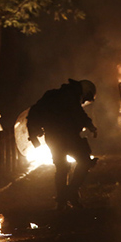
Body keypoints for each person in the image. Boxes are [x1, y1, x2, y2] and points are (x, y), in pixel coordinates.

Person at [27, 79, 98, 210]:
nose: (84, 101)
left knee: (61, 167)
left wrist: (33, 136)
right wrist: (90, 126)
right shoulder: (71, 96)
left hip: (53, 138)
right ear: (85, 92)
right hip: (68, 137)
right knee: (84, 161)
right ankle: (70, 193)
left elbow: (34, 112)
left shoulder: (53, 95)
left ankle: (62, 201)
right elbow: (78, 113)